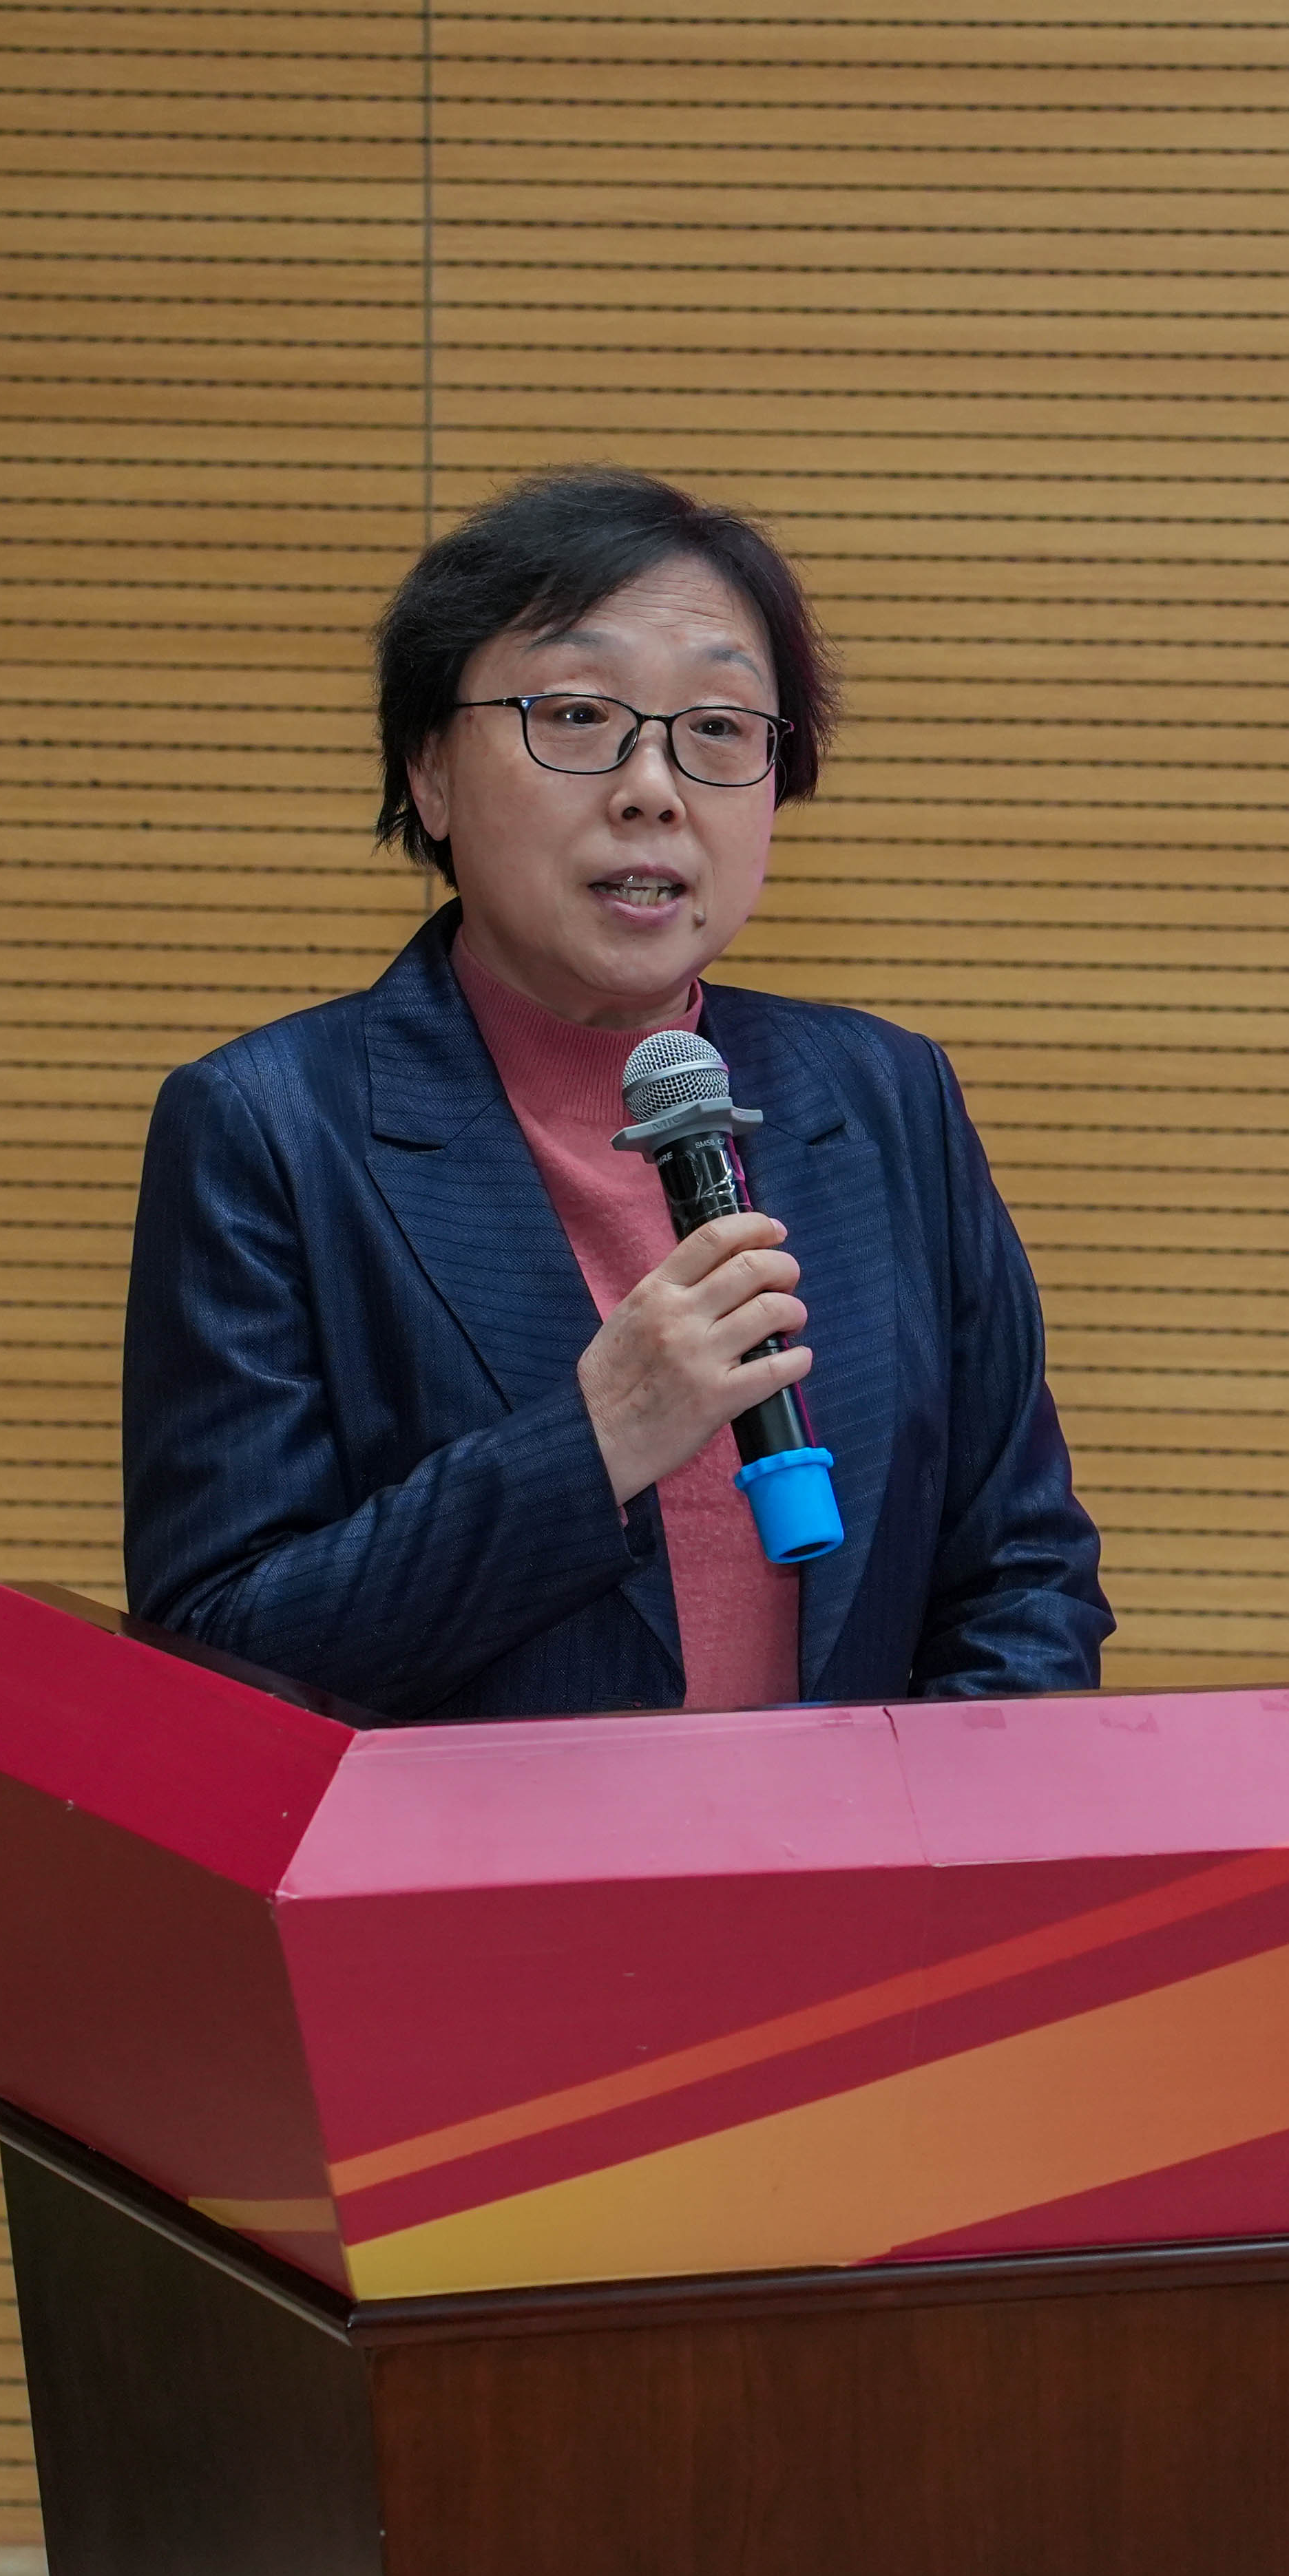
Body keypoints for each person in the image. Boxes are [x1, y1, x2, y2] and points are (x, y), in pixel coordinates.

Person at [120, 468, 1107, 1720]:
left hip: (853, 1846)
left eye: (720, 729)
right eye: (579, 716)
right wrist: (592, 1445)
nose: (654, 788)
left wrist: (929, 1829)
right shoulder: (269, 1129)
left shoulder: (886, 1094)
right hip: (479, 1855)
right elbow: (218, 1653)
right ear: (430, 773)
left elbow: (1023, 1577)